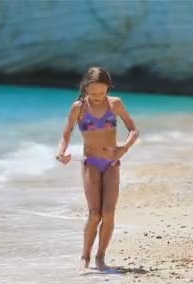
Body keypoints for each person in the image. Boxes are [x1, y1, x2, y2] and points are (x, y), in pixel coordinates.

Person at [56, 66, 139, 272]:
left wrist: (123, 150)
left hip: (111, 163)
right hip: (91, 163)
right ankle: (85, 256)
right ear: (85, 88)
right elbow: (66, 134)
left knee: (108, 212)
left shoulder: (115, 104)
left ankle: (100, 257)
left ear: (108, 89)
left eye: (101, 93)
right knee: (95, 214)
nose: (97, 97)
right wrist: (62, 152)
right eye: (92, 93)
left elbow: (133, 130)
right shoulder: (79, 108)